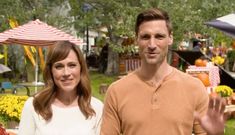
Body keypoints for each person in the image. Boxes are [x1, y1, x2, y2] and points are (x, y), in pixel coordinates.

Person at [101, 8, 226, 135]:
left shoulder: (194, 88)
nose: (152, 44)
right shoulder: (116, 91)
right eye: (145, 37)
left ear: (170, 38)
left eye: (159, 36)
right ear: (136, 39)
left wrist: (216, 134)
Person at [18, 41, 103, 135]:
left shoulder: (96, 107)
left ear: (81, 68)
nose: (66, 73)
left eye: (72, 65)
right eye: (59, 66)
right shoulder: (34, 105)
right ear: (50, 71)